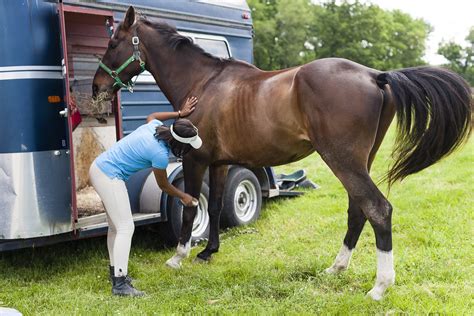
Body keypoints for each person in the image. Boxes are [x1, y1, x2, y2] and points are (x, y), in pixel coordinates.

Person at [89, 96, 201, 297]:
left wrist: (179, 114)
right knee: (125, 227)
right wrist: (183, 196)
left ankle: (116, 273)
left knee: (116, 227)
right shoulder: (159, 154)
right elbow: (163, 185)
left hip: (99, 168)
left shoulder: (156, 127)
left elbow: (152, 115)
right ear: (180, 145)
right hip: (108, 175)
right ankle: (120, 285)